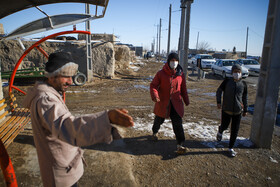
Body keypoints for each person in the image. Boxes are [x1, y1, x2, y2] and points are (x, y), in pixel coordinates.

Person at [23, 52, 134, 187]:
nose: (70, 81)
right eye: (66, 76)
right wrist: (106, 119)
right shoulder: (46, 100)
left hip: (64, 167)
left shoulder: (49, 94)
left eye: (71, 76)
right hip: (61, 175)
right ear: (52, 76)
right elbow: (68, 127)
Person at [150, 52, 189, 154]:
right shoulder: (161, 73)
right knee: (158, 120)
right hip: (163, 103)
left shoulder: (181, 74)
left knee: (178, 124)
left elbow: (183, 89)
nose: (174, 63)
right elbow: (153, 85)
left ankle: (180, 144)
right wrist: (155, 95)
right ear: (168, 61)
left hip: (176, 104)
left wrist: (186, 99)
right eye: (172, 61)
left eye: (176, 61)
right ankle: (154, 132)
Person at [216, 64, 248, 157]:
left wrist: (245, 109)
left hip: (238, 111)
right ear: (232, 72)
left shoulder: (243, 84)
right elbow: (219, 91)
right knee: (225, 126)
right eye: (235, 72)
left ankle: (230, 148)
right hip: (226, 110)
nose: (237, 74)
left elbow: (245, 97)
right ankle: (220, 130)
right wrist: (218, 102)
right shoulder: (227, 81)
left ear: (241, 73)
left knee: (235, 130)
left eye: (238, 72)